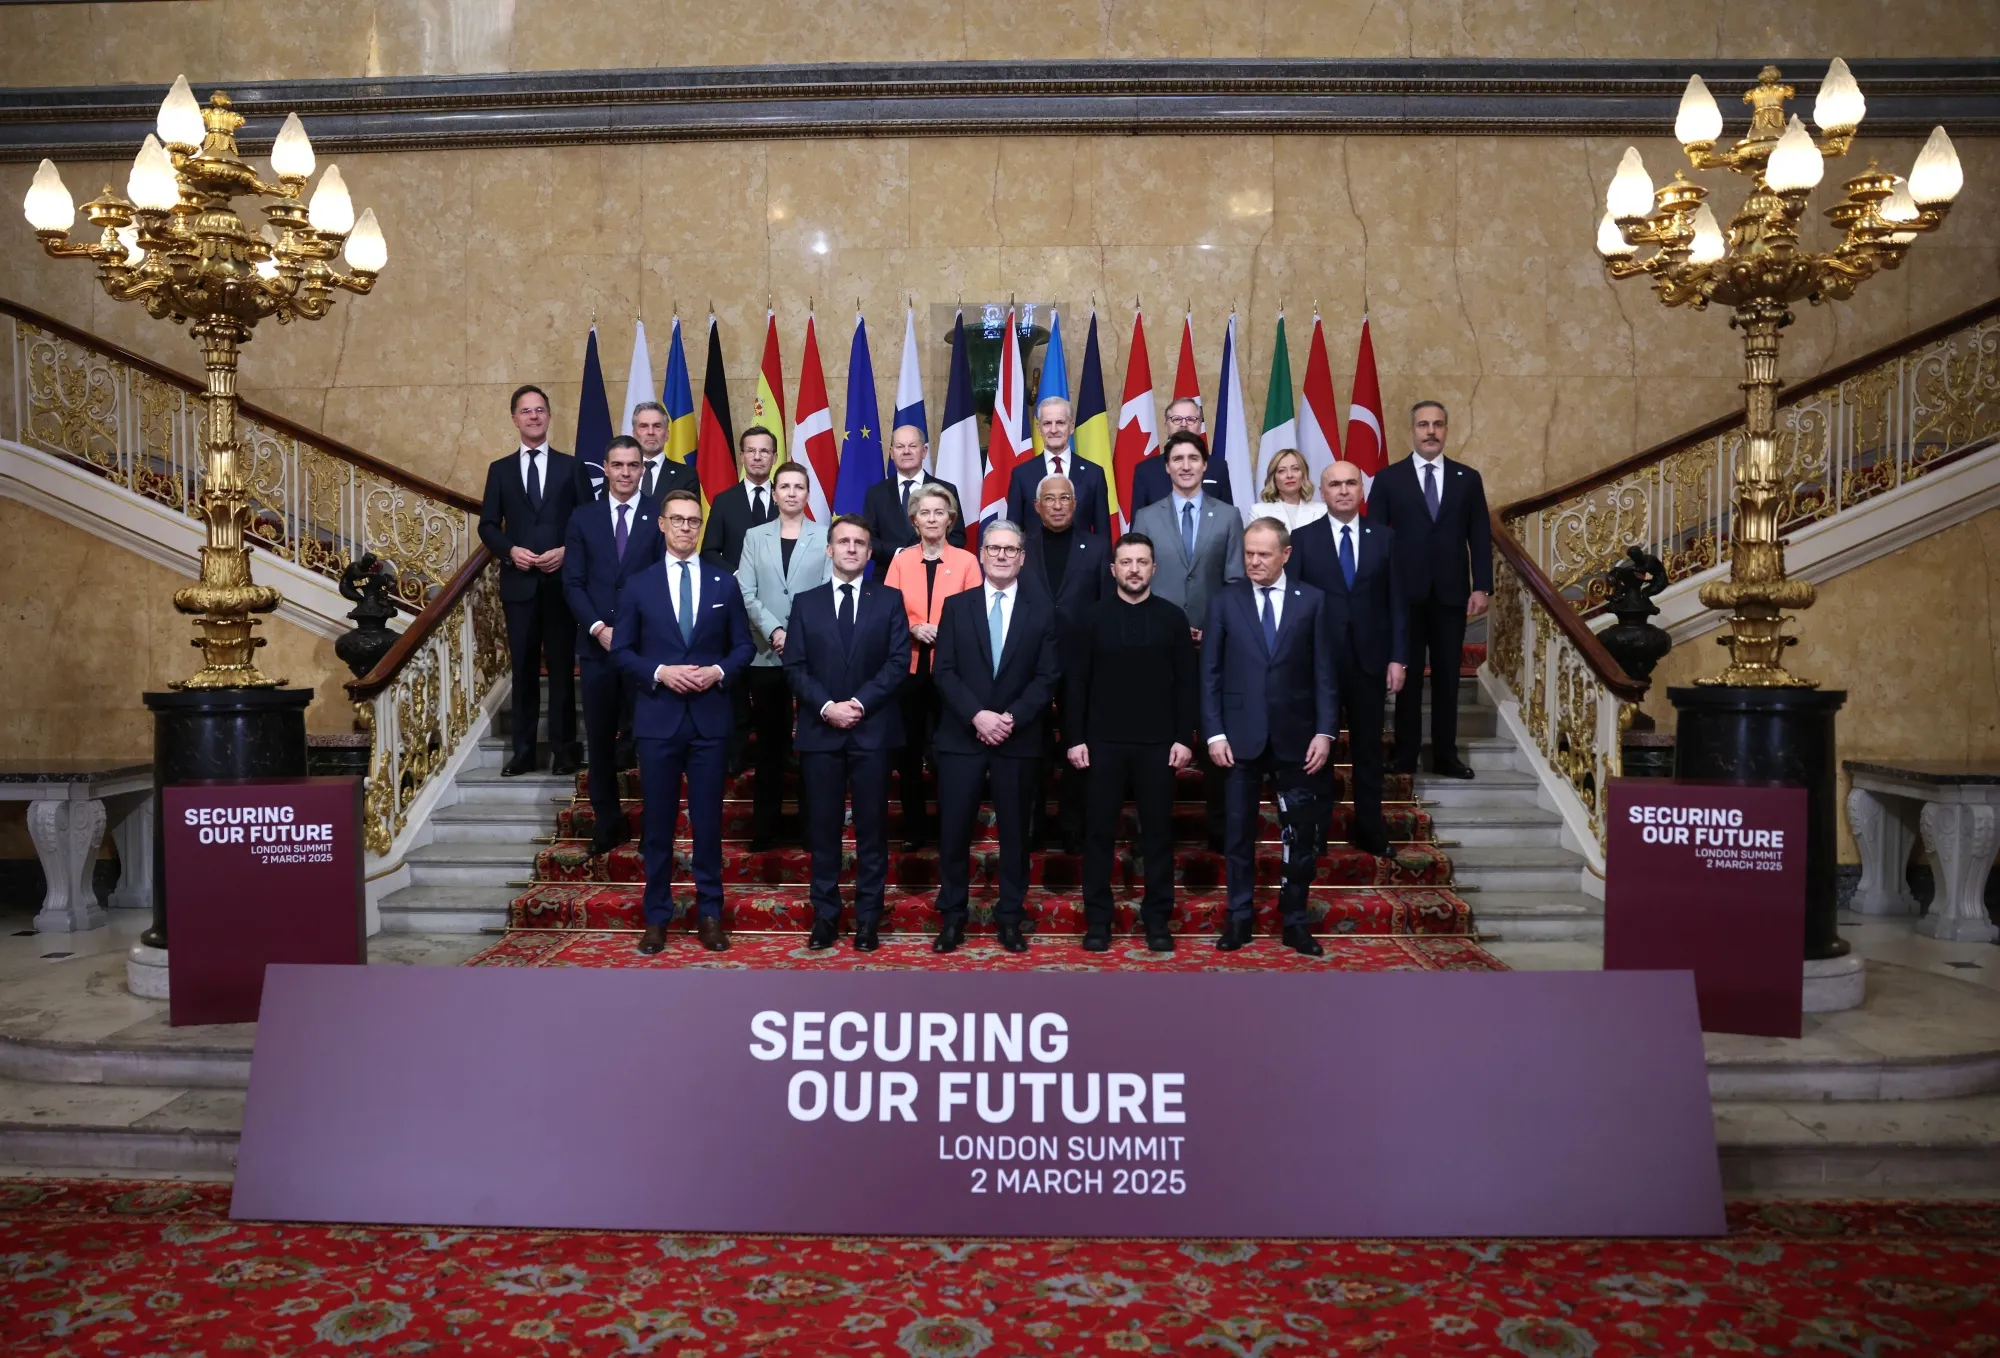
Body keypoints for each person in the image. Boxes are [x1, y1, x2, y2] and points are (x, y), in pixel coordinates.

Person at [610, 488, 755, 955]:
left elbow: (743, 648)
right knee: (657, 825)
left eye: (693, 521)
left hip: (710, 722)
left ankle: (710, 915)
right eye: (678, 520)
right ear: (662, 524)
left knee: (708, 824)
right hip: (658, 722)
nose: (686, 528)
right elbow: (622, 651)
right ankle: (657, 918)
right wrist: (660, 672)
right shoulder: (638, 584)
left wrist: (717, 671)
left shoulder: (723, 582)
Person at [1202, 519, 1338, 956]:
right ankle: (1238, 918)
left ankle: (1295, 920)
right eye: (1249, 554)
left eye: (1263, 554)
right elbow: (1210, 674)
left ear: (1286, 554)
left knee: (1300, 836)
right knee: (1238, 835)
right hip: (1238, 740)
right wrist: (1214, 732)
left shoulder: (1313, 601)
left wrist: (1324, 731)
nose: (1254, 561)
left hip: (1298, 740)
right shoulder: (1225, 601)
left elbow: (1324, 674)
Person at [931, 520, 1060, 955]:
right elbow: (943, 671)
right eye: (994, 549)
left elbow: (1047, 677)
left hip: (1017, 739)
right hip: (961, 739)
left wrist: (1009, 718)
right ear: (981, 555)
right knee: (953, 833)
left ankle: (1010, 917)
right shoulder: (956, 605)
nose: (1002, 556)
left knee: (1015, 836)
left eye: (1010, 550)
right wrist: (978, 716)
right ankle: (952, 917)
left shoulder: (1041, 611)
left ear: (1022, 558)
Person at [1065, 533, 1199, 953]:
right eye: (1126, 562)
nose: (1134, 569)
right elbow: (1076, 684)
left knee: (1158, 836)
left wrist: (1184, 737)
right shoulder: (1090, 618)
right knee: (1098, 835)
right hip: (1102, 744)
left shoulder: (1173, 618)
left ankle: (1157, 919)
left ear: (1154, 569)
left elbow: (1187, 685)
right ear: (1114, 569)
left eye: (1142, 562)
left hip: (1159, 745)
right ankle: (1098, 921)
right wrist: (1074, 738)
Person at [783, 516, 911, 952]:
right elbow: (795, 666)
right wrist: (826, 707)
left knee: (873, 832)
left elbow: (897, 663)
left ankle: (869, 919)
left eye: (859, 542)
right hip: (821, 732)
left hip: (872, 730)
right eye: (843, 542)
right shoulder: (806, 602)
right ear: (829, 550)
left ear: (870, 551)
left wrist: (857, 705)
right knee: (824, 830)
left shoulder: (890, 600)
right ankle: (826, 916)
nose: (851, 549)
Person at [1130, 430, 1244, 851]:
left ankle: (1218, 829)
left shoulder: (1229, 516)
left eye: (1193, 458)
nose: (1185, 466)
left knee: (1214, 735)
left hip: (1215, 646)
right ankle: (1151, 830)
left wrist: (1210, 627)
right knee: (1156, 740)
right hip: (1157, 644)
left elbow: (1234, 581)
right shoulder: (1146, 516)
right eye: (1177, 458)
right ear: (1166, 467)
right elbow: (1138, 578)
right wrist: (1173, 626)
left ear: (1204, 466)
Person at [1366, 401, 1492, 779]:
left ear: (1446, 430)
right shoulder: (1388, 478)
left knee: (1447, 679)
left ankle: (1445, 756)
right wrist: (1377, 592)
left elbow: (1479, 535)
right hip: (1403, 597)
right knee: (1405, 678)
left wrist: (1482, 585)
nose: (1431, 431)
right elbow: (1373, 538)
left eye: (1437, 424)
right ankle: (1405, 755)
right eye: (1423, 425)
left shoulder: (1466, 478)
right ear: (1413, 430)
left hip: (1452, 595)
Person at [1291, 460, 1407, 856]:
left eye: (1350, 483)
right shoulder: (1302, 539)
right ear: (1322, 492)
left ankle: (1371, 831)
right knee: (1318, 751)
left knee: (1368, 752)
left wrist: (1398, 658)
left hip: (1370, 661)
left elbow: (1398, 603)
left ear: (1362, 491)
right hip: (1317, 664)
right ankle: (1317, 832)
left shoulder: (1385, 539)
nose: (1343, 490)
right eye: (1334, 484)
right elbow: (1293, 606)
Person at [561, 436, 665, 856]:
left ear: (643, 470)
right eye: (618, 465)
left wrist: (636, 630)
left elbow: (663, 576)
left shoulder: (659, 515)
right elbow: (573, 582)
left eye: (633, 466)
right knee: (601, 740)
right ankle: (608, 821)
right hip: (597, 645)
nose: (625, 473)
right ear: (604, 467)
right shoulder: (582, 518)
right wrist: (598, 626)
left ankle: (654, 826)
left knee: (652, 739)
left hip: (644, 648)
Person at [479, 384, 582, 777]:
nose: (534, 416)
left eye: (540, 410)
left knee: (560, 670)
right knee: (522, 671)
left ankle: (564, 750)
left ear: (549, 416)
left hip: (559, 584)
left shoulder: (571, 466)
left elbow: (587, 521)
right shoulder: (500, 470)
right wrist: (510, 551)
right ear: (514, 419)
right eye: (526, 411)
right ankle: (523, 753)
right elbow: (487, 525)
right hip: (519, 584)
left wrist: (568, 552)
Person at [733, 464, 829, 850]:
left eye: (799, 486)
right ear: (774, 494)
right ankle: (765, 830)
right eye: (784, 486)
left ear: (808, 494)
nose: (791, 493)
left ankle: (811, 830)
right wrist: (775, 631)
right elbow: (745, 591)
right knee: (771, 746)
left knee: (810, 745)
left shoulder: (825, 537)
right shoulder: (755, 537)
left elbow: (827, 590)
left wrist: (798, 637)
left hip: (811, 656)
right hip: (765, 655)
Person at [881, 484, 981, 849]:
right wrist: (913, 627)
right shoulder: (901, 560)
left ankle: (951, 829)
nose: (932, 518)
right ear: (914, 520)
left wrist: (946, 631)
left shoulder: (968, 561)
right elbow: (888, 611)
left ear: (951, 519)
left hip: (951, 673)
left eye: (940, 512)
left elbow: (975, 616)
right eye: (925, 512)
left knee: (948, 755)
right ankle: (915, 830)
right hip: (908, 672)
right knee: (908, 755)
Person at [1015, 473, 1107, 853]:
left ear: (1075, 504)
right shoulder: (1021, 548)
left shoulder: (1099, 547)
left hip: (1079, 663)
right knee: (1030, 748)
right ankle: (1032, 827)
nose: (1056, 505)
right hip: (1030, 663)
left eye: (1064, 499)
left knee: (1078, 749)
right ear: (1036, 507)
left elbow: (1105, 607)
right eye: (1049, 499)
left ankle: (1073, 828)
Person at [862, 425, 966, 578]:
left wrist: (925, 553)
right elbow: (868, 540)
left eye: (912, 446)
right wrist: (901, 553)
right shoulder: (875, 493)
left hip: (937, 576)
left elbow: (957, 537)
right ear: (891, 453)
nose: (906, 451)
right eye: (899, 446)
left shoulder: (947, 490)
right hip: (888, 578)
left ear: (924, 451)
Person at [1006, 396, 1110, 538]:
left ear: (1071, 426)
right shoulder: (1021, 474)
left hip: (1082, 558)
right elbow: (1013, 532)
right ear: (1039, 428)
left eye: (1060, 422)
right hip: (1035, 558)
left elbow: (1103, 532)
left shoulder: (1094, 473)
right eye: (1047, 423)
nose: (1053, 430)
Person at [1129, 397, 1234, 515]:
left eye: (1190, 419)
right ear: (1166, 425)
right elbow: (1138, 528)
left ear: (1200, 425)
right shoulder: (1145, 470)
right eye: (1177, 419)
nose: (1184, 424)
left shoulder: (1218, 467)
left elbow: (1227, 516)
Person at [700, 427, 781, 571]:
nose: (757, 457)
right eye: (751, 451)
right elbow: (708, 552)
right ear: (742, 456)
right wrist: (735, 575)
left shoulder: (786, 500)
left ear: (774, 458)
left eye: (764, 451)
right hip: (736, 589)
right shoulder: (723, 501)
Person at [627, 401, 702, 505]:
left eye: (657, 426)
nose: (650, 432)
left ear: (667, 434)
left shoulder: (686, 475)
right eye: (643, 426)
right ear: (634, 434)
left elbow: (689, 517)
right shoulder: (618, 473)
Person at [1246, 448, 1327, 532]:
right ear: (1273, 478)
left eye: (1295, 469)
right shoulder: (1259, 512)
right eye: (1282, 471)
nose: (1289, 475)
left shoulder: (1322, 511)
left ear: (1304, 474)